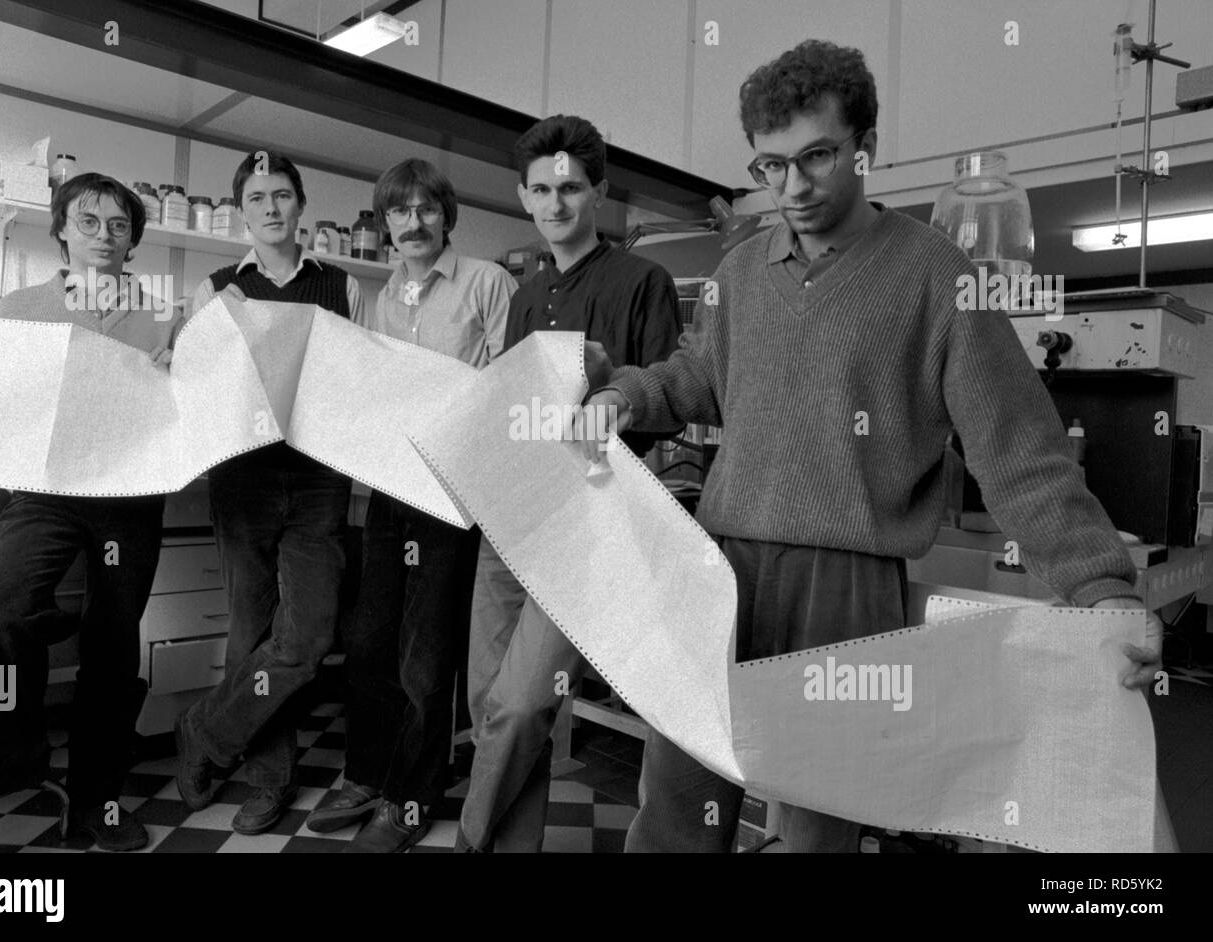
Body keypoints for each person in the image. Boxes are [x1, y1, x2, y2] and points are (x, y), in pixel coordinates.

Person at [576, 39, 1165, 853]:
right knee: (676, 810)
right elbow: (694, 378)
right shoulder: (743, 273)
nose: (793, 187)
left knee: (819, 828)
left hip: (845, 595)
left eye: (816, 156)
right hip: (718, 574)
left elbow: (1018, 448)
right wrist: (622, 394)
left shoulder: (937, 276)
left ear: (866, 147)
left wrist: (1102, 586)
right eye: (770, 166)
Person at [0, 173, 181, 851]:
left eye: (119, 226)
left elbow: (182, 404)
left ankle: (97, 803)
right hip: (43, 492)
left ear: (132, 241)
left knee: (112, 645)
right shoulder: (19, 308)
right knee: (2, 610)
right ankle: (16, 750)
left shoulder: (161, 315)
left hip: (128, 495)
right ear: (62, 229)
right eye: (88, 222)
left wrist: (186, 372)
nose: (103, 237)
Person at [453, 115, 682, 853]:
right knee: (488, 701)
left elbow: (666, 403)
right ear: (523, 196)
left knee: (523, 707)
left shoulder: (642, 283)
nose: (557, 203)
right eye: (543, 189)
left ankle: (469, 843)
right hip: (511, 517)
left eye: (573, 188)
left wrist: (604, 383)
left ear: (599, 193)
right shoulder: (526, 294)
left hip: (585, 527)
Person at [303, 158, 517, 852]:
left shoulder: (487, 282)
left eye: (426, 208)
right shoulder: (379, 297)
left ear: (445, 216)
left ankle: (413, 797)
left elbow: (503, 387)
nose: (413, 222)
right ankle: (366, 774)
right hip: (389, 489)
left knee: (427, 658)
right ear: (385, 222)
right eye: (399, 211)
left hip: (452, 494)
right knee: (368, 645)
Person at [173, 151, 362, 835]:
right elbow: (191, 380)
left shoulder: (340, 286)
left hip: (318, 476)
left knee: (306, 637)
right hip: (245, 475)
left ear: (300, 204)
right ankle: (270, 781)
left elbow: (359, 377)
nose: (272, 208)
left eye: (283, 195)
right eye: (258, 198)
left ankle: (206, 732)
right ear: (241, 211)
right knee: (252, 630)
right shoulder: (218, 288)